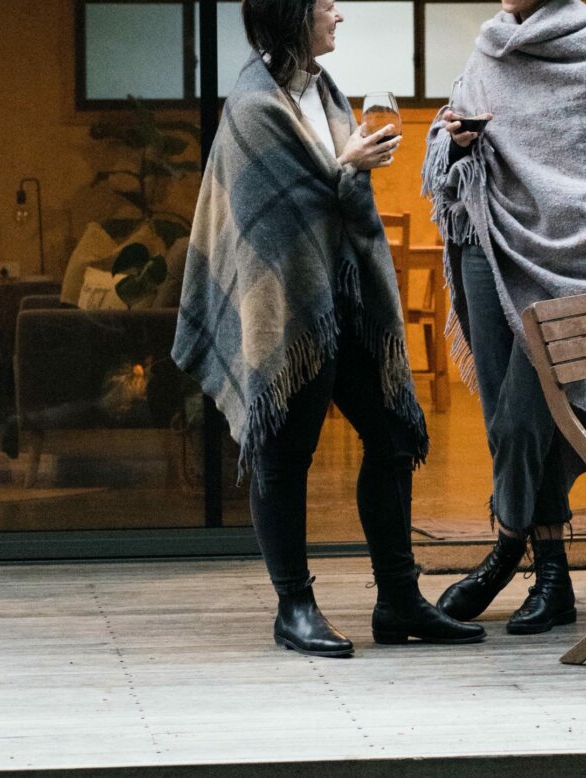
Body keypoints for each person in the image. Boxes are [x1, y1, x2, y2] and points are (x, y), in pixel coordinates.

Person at [173, 0, 484, 657]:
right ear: (293, 13)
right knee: (284, 451)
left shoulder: (325, 91)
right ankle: (295, 607)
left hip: (343, 298)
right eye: (325, 5)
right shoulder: (255, 108)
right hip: (288, 306)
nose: (338, 15)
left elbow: (336, 194)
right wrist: (348, 167)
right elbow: (281, 219)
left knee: (396, 434)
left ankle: (398, 598)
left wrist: (352, 166)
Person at [421, 0, 586, 634]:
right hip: (488, 247)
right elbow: (447, 148)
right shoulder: (490, 45)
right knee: (504, 417)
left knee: (530, 418)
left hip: (574, 262)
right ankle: (553, 580)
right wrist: (453, 139)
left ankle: (503, 553)